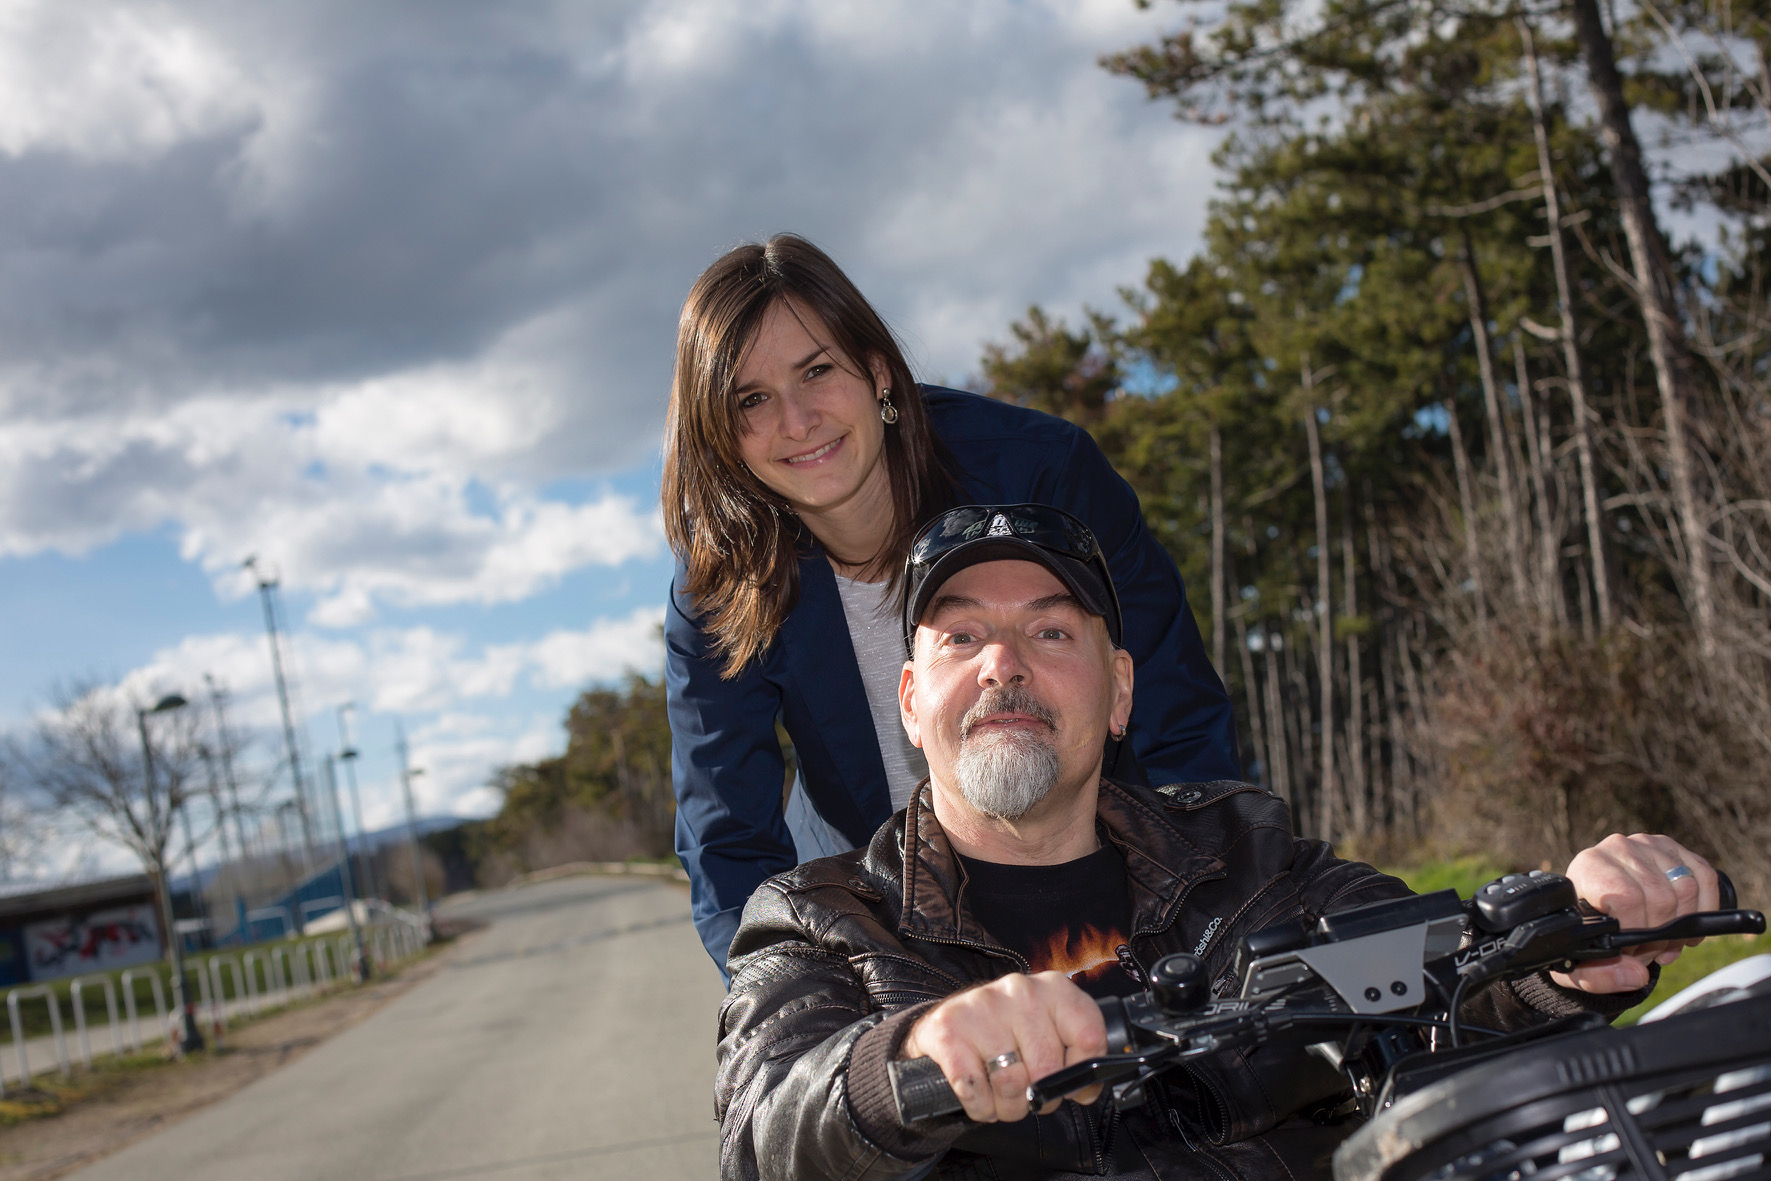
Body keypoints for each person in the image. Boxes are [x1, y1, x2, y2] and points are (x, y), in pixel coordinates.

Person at [714, 505, 1720, 1180]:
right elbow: (767, 1134)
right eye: (961, 636)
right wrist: (904, 1062)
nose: (1003, 666)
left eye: (1050, 632)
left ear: (1118, 692)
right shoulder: (820, 919)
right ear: (910, 699)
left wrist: (1571, 943)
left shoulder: (1249, 853)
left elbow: (1434, 982)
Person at [663, 234, 1238, 972]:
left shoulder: (1043, 475)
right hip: (884, 906)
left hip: (1088, 867)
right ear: (720, 433)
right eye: (751, 399)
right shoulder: (720, 579)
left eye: (816, 371)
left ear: (876, 371)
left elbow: (1177, 720)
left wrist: (1208, 929)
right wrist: (791, 997)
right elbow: (728, 841)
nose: (797, 420)